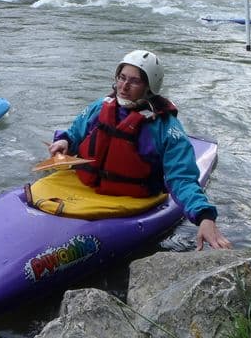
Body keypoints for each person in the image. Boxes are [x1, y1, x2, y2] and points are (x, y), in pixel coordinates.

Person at [47, 50, 232, 250]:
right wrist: (65, 141)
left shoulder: (165, 128)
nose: (123, 86)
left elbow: (182, 179)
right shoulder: (100, 107)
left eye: (134, 81)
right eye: (122, 78)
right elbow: (75, 132)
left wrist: (204, 216)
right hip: (83, 191)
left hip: (130, 202)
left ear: (149, 87)